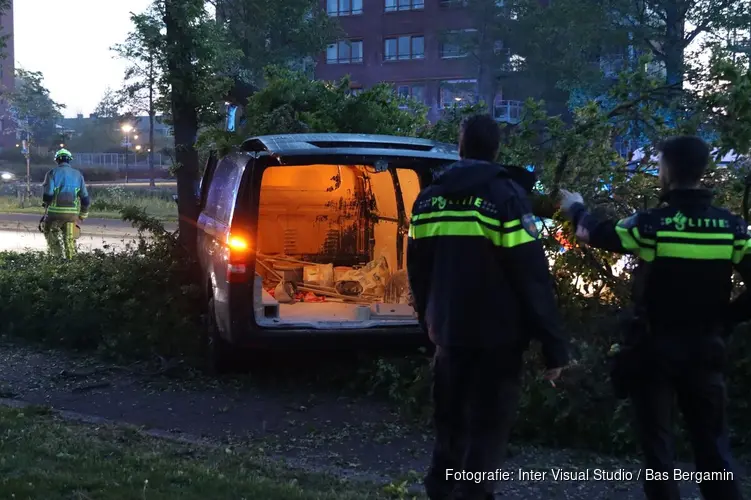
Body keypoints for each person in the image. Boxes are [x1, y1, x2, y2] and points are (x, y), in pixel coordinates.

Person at [559, 135, 751, 500]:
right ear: (702, 170)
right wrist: (727, 319)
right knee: (712, 450)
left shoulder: (651, 225)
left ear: (666, 170)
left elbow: (594, 232)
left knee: (658, 451)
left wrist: (576, 208)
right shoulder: (731, 228)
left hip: (655, 351)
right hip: (706, 349)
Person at [407, 114, 569, 500]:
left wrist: (428, 323)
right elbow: (530, 276)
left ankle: (444, 492)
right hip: (498, 340)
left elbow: (417, 271)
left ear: (460, 146)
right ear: (496, 150)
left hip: (447, 334)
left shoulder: (429, 198)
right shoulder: (505, 197)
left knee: (449, 427)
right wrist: (554, 347)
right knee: (487, 432)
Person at [42, 149, 90, 259]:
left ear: (57, 160)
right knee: (69, 239)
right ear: (69, 161)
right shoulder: (78, 175)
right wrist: (83, 215)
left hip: (54, 214)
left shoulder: (52, 173)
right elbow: (85, 199)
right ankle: (71, 261)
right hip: (72, 215)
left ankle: (57, 257)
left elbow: (48, 194)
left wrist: (46, 205)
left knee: (49, 231)